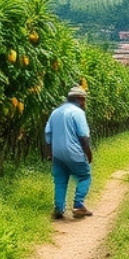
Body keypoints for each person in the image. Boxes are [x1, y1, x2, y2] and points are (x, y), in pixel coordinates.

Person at [43, 86, 94, 220]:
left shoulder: (55, 112)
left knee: (60, 180)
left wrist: (50, 153)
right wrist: (88, 154)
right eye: (84, 100)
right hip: (74, 152)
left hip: (58, 153)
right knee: (85, 176)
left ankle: (59, 209)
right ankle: (78, 205)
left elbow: (48, 134)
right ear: (80, 99)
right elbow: (83, 136)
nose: (85, 103)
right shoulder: (77, 113)